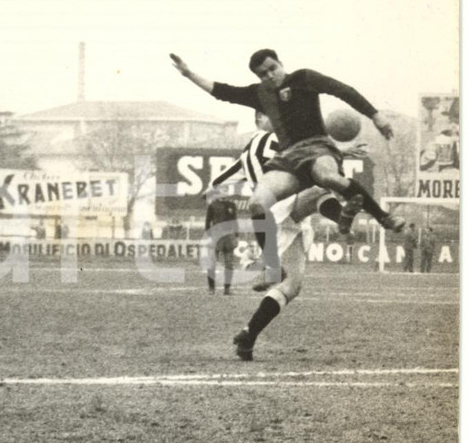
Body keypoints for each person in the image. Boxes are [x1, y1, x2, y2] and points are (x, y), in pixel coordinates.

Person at [171, 50, 406, 286]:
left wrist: (375, 115)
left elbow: (343, 90)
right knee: (256, 203)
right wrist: (189, 74)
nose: (270, 75)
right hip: (287, 159)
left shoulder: (304, 78)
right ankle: (273, 268)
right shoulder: (260, 93)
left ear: (281, 63)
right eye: (263, 74)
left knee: (329, 178)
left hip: (317, 147)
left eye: (273, 68)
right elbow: (222, 92)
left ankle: (383, 217)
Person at [209, 111, 367, 361]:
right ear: (260, 119)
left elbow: (219, 180)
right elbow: (299, 155)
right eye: (270, 115)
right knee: (318, 190)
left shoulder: (249, 152)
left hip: (280, 216)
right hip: (280, 205)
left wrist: (212, 190)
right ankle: (341, 220)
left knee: (292, 286)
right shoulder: (265, 138)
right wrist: (340, 151)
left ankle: (248, 336)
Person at [203, 195, 237, 295]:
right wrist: (208, 235)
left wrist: (237, 235)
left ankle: (227, 289)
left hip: (228, 236)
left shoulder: (232, 205)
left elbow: (234, 221)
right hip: (216, 235)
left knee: (229, 263)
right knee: (212, 262)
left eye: (226, 190)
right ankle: (211, 288)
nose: (224, 193)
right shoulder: (213, 205)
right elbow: (208, 221)